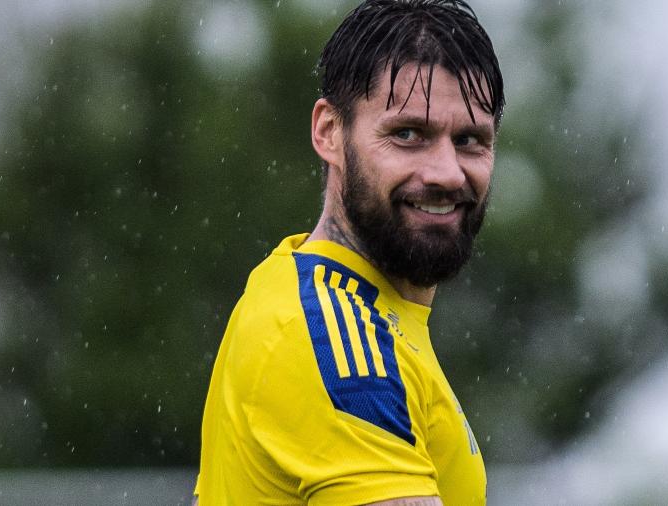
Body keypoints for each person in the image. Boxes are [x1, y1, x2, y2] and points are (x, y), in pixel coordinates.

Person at [194, 0, 504, 504]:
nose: (447, 172)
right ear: (329, 132)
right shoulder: (328, 335)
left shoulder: (331, 302)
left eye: (470, 140)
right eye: (408, 134)